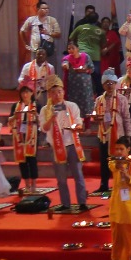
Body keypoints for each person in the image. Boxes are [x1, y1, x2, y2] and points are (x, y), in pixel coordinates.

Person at [40, 80, 89, 211]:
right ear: (49, 94)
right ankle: (65, 203)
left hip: (71, 143)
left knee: (78, 174)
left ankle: (82, 202)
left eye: (60, 92)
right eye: (54, 93)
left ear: (64, 92)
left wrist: (76, 127)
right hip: (56, 147)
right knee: (61, 178)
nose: (57, 95)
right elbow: (44, 129)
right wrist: (51, 118)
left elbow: (79, 123)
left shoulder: (71, 106)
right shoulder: (45, 110)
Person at [104, 140, 131, 260]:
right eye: (117, 149)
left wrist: (128, 176)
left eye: (121, 149)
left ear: (128, 149)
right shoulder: (113, 163)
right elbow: (113, 166)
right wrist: (121, 165)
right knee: (117, 237)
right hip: (117, 205)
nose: (119, 152)